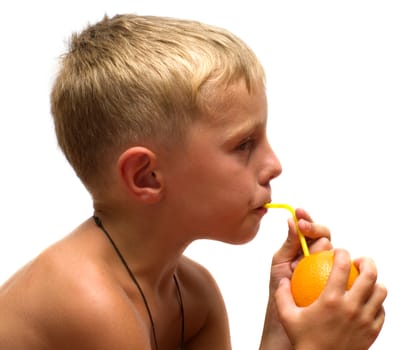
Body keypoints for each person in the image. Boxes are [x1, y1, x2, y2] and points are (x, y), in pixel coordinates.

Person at [0, 14, 387, 349]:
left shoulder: (194, 295)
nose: (274, 165)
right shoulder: (91, 304)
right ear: (146, 176)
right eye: (244, 144)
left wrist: (281, 335)